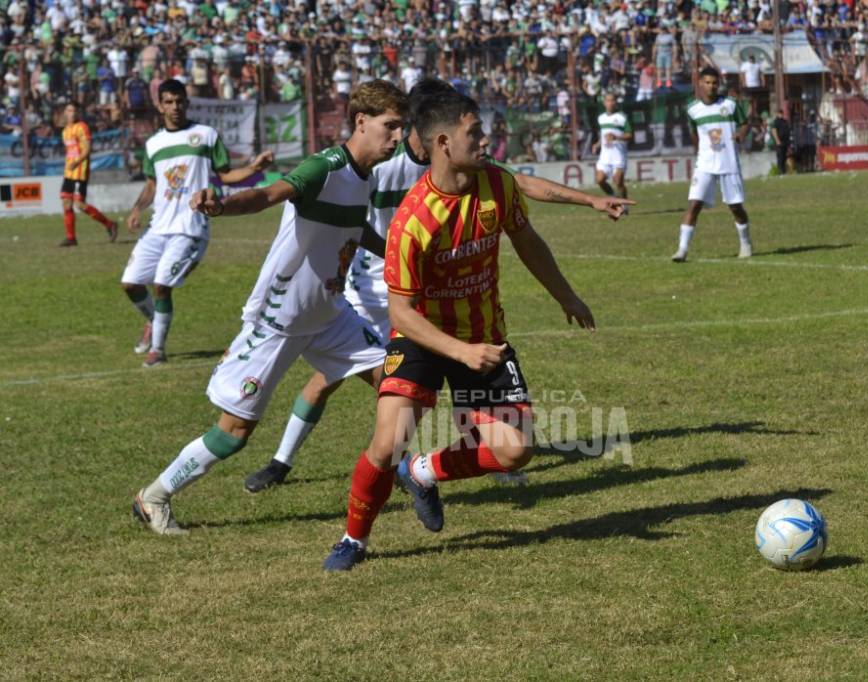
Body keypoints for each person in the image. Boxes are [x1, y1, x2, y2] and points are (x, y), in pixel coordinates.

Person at [242, 78, 634, 494]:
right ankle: (285, 461)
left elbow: (519, 182)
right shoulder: (382, 164)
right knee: (333, 379)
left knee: (448, 373)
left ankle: (457, 459)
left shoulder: (457, 161)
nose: (396, 133)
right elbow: (342, 204)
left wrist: (589, 200)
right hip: (372, 290)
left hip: (427, 295)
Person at [321, 86, 595, 572]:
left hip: (483, 335)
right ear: (444, 142)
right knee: (386, 444)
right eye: (476, 132)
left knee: (515, 451)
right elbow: (401, 314)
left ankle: (422, 471)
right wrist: (460, 352)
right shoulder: (412, 221)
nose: (486, 139)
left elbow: (526, 239)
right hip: (422, 338)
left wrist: (566, 295)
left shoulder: (498, 184)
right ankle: (353, 539)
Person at [131, 80, 409, 536]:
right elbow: (267, 195)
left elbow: (355, 228)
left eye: (402, 127)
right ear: (362, 121)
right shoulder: (324, 167)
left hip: (329, 315)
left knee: (397, 384)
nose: (398, 137)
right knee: (232, 434)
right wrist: (220, 206)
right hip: (280, 319)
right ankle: (154, 496)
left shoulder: (366, 175)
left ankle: (406, 472)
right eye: (391, 126)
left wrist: (401, 253)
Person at [120, 79, 274, 368]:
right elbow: (152, 184)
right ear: (160, 106)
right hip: (158, 227)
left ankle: (158, 350)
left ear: (187, 103)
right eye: (169, 102)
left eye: (179, 101)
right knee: (130, 284)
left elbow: (225, 175)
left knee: (162, 285)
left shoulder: (205, 135)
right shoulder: (153, 144)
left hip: (190, 228)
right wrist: (137, 209)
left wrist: (254, 167)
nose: (175, 107)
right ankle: (154, 321)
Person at [673, 67, 753, 262]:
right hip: (705, 164)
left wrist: (740, 135)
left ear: (719, 84)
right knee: (694, 204)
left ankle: (745, 243)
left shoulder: (730, 104)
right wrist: (700, 152)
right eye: (707, 82)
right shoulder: (692, 109)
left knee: (735, 207)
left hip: (728, 162)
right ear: (700, 83)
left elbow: (745, 123)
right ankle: (682, 250)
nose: (711, 86)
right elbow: (694, 133)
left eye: (714, 83)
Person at [58, 102, 118, 247]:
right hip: (69, 172)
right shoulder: (65, 131)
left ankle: (110, 224)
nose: (71, 113)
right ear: (65, 112)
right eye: (69, 110)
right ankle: (71, 238)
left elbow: (87, 149)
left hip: (80, 172)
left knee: (80, 204)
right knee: (66, 203)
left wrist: (76, 162)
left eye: (74, 111)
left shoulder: (82, 127)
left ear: (78, 113)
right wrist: (69, 165)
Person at [591, 92, 632, 211]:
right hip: (605, 156)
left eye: (613, 100)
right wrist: (597, 144)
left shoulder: (622, 117)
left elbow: (629, 135)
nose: (610, 103)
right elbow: (603, 135)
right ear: (604, 103)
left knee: (618, 182)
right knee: (600, 180)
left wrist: (616, 137)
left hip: (618, 155)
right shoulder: (601, 118)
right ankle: (613, 196)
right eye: (608, 101)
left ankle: (625, 204)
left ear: (616, 102)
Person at [771, 110, 791, 175]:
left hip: (785, 142)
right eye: (780, 113)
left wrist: (788, 142)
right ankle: (780, 171)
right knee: (780, 157)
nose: (781, 115)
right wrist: (777, 140)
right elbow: (774, 131)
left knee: (784, 156)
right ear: (777, 114)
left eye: (782, 113)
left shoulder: (785, 121)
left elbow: (788, 131)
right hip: (779, 141)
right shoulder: (776, 122)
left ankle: (784, 170)